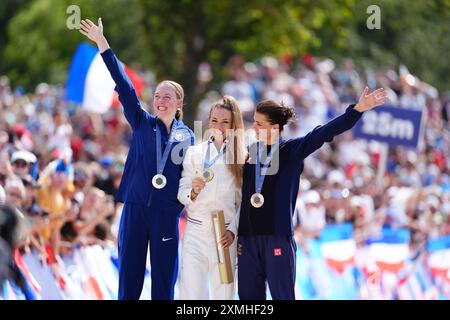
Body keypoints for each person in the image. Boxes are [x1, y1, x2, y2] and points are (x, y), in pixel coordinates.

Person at [79, 18, 195, 300]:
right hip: (135, 208)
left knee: (164, 281)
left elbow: (189, 176)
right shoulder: (143, 122)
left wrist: (177, 205)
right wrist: (102, 44)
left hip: (165, 214)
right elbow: (124, 84)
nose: (161, 100)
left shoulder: (188, 137)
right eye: (158, 95)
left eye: (168, 96)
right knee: (129, 277)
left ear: (179, 103)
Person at [237, 86, 387, 300]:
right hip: (248, 239)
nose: (254, 128)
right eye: (254, 122)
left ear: (275, 127)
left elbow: (324, 133)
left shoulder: (291, 150)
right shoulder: (249, 153)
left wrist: (357, 110)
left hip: (277, 237)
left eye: (260, 124)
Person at [177, 96, 246, 299]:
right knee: (191, 294)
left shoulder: (242, 156)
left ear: (233, 125)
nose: (219, 126)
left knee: (223, 294)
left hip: (224, 233)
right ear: (208, 122)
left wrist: (233, 230)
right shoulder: (194, 152)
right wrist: (193, 192)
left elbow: (243, 202)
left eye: (225, 122)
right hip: (195, 232)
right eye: (214, 120)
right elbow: (182, 192)